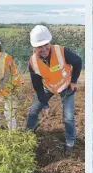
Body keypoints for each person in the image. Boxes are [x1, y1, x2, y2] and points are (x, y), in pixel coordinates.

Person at [26, 25, 82, 157]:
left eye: (46, 44)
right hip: (47, 87)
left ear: (49, 42)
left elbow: (78, 61)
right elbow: (37, 85)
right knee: (34, 111)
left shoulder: (62, 51)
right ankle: (27, 134)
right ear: (34, 47)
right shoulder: (33, 62)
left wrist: (73, 82)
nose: (44, 49)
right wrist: (44, 104)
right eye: (40, 46)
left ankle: (70, 142)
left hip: (66, 86)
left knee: (68, 117)